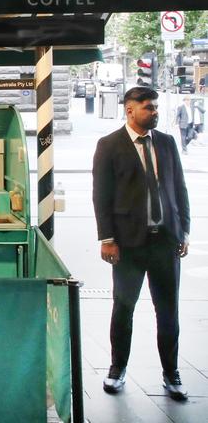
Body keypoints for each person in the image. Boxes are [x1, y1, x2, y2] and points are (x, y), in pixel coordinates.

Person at [92, 87, 190, 401]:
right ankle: (117, 369)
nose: (155, 112)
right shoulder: (109, 145)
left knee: (168, 311)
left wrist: (183, 231)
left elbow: (180, 188)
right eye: (148, 107)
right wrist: (107, 239)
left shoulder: (167, 142)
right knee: (123, 308)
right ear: (130, 110)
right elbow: (101, 197)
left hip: (165, 242)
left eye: (156, 107)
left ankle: (171, 373)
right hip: (128, 244)